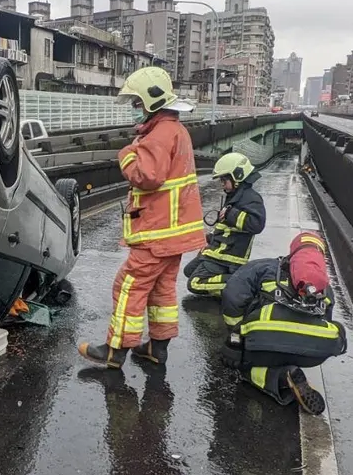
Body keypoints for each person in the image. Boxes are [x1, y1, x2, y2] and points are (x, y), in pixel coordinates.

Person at [78, 66, 204, 369]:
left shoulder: (159, 135)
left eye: (138, 103)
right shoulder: (176, 130)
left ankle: (114, 350)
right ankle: (156, 349)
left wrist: (127, 155)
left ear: (151, 101)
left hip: (157, 232)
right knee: (162, 290)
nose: (135, 109)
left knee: (128, 286)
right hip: (174, 234)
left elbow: (147, 176)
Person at [220, 230, 346, 414]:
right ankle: (290, 364)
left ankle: (280, 376)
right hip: (314, 352)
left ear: (293, 251)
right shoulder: (324, 285)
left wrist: (236, 334)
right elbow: (326, 318)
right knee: (285, 349)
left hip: (264, 340)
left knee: (239, 362)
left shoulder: (264, 266)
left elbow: (233, 295)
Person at [184, 152, 266, 297]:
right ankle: (224, 287)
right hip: (218, 252)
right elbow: (227, 229)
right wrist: (209, 239)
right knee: (188, 271)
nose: (222, 184)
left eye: (224, 180)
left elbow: (257, 224)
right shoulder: (236, 196)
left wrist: (230, 214)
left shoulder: (251, 198)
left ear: (237, 177)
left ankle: (242, 283)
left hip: (227, 259)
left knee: (195, 283)